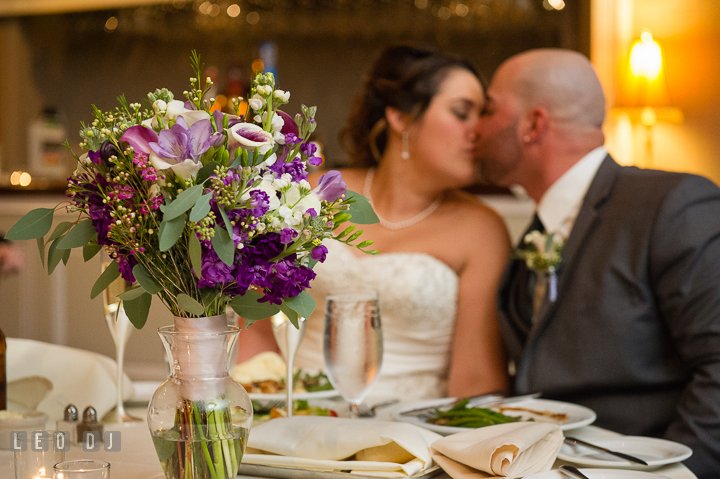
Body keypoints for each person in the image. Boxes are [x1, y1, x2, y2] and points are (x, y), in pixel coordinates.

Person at [475, 48, 720, 477]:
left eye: (488, 109)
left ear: (533, 125)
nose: (477, 126)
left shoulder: (671, 206)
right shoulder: (533, 230)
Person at [236, 45, 511, 401]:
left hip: (413, 435)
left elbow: (477, 382)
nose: (479, 131)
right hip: (293, 414)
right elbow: (252, 322)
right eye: (462, 113)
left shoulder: (482, 229)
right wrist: (272, 410)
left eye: (483, 116)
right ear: (400, 117)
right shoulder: (312, 192)